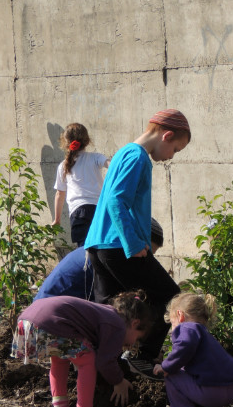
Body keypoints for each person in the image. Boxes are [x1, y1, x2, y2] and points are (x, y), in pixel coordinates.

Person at [85, 109, 191, 380]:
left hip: (99, 243)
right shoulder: (138, 157)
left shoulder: (122, 152)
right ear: (166, 135)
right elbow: (116, 201)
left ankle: (96, 363)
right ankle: (142, 358)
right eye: (175, 149)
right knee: (168, 294)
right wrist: (133, 242)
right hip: (120, 245)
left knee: (107, 309)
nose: (171, 157)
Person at [12, 291, 154, 407]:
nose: (132, 344)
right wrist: (118, 381)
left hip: (28, 318)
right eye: (136, 338)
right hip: (51, 321)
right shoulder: (118, 325)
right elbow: (105, 362)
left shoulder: (103, 313)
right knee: (87, 359)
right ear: (135, 323)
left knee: (60, 358)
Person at [153, 292, 233, 407]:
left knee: (172, 374)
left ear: (180, 315)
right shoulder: (204, 334)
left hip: (211, 394)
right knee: (193, 372)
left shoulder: (186, 327)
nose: (173, 329)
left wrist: (166, 366)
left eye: (172, 324)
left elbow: (184, 347)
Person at [34, 217, 165, 302]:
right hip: (51, 321)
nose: (144, 260)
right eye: (145, 253)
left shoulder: (101, 249)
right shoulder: (109, 259)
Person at [52, 123, 109, 246]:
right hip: (99, 210)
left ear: (65, 143)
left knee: (84, 251)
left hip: (78, 213)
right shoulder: (95, 157)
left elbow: (59, 194)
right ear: (87, 141)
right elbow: (111, 164)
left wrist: (57, 219)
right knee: (102, 247)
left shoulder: (63, 166)